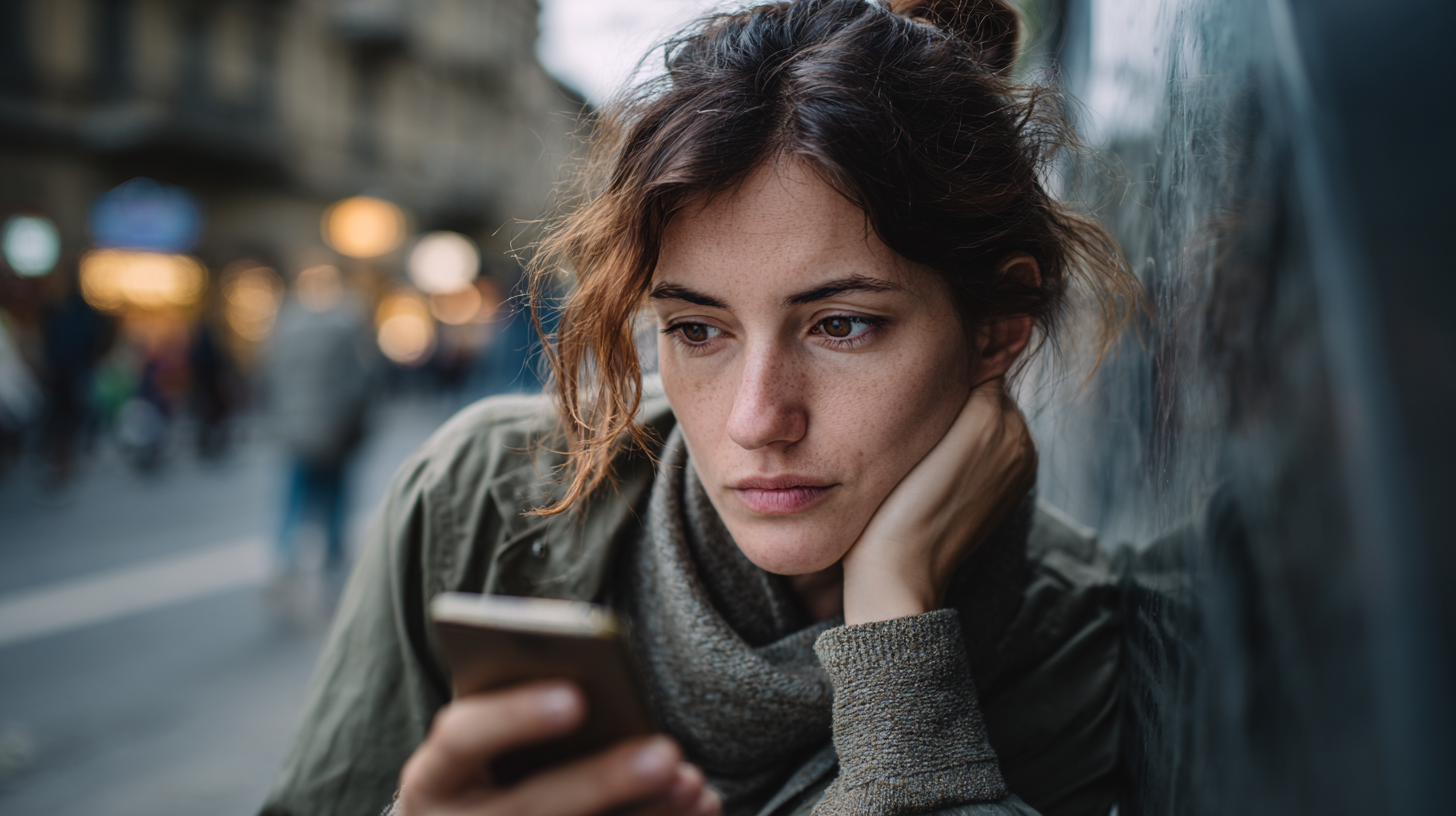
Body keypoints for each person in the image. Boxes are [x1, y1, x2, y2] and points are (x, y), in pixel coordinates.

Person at [260, 1, 1137, 815]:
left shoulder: (1065, 638)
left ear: (997, 330)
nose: (757, 419)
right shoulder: (485, 500)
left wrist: (897, 630)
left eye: (841, 325)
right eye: (697, 329)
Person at [265, 263, 375, 578]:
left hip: (296, 432)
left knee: (296, 498)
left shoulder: (287, 325)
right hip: (335, 431)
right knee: (336, 503)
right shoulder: (346, 325)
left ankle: (283, 559)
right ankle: (333, 569)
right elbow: (361, 380)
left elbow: (271, 377)